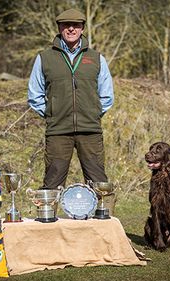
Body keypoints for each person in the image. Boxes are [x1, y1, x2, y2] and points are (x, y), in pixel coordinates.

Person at [27, 8, 114, 189]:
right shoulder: (44, 58)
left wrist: (94, 113)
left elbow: (107, 96)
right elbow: (34, 95)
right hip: (58, 131)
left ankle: (103, 218)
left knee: (99, 183)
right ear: (60, 28)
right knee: (51, 183)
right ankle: (47, 218)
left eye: (76, 25)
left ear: (82, 28)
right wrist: (52, 112)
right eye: (67, 25)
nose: (71, 29)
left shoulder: (97, 58)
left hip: (90, 130)